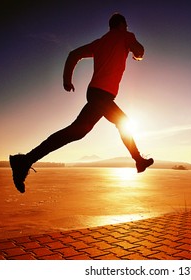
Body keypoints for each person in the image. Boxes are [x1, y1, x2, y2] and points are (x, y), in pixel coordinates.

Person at [9, 13, 154, 193]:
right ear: (122, 25)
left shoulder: (100, 42)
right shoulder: (126, 36)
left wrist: (66, 80)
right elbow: (139, 50)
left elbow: (73, 54)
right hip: (102, 95)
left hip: (95, 93)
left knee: (76, 132)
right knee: (121, 122)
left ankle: (24, 161)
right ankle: (138, 160)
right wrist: (136, 53)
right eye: (125, 25)